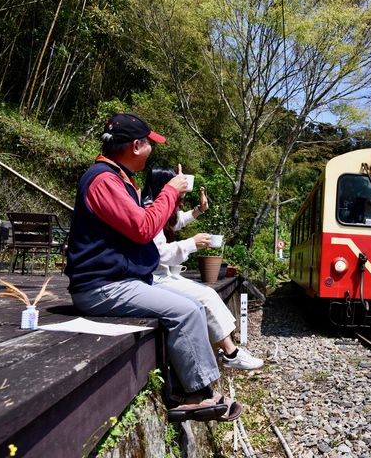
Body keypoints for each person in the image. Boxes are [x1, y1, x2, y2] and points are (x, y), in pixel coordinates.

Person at [64, 112, 241, 423]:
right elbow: (144, 227)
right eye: (149, 144)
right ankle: (200, 395)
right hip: (103, 287)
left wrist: (181, 203)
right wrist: (169, 192)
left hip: (121, 280)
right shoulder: (104, 180)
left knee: (193, 304)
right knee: (186, 311)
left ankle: (183, 389)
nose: (152, 150)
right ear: (135, 146)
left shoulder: (118, 179)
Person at [141, 166, 263, 370]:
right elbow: (159, 253)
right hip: (153, 278)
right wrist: (192, 243)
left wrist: (199, 209)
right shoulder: (148, 210)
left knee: (208, 294)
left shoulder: (156, 206)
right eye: (176, 186)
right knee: (205, 297)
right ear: (163, 186)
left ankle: (230, 350)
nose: (180, 193)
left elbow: (175, 222)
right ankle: (231, 354)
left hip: (163, 275)